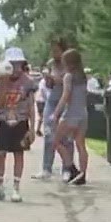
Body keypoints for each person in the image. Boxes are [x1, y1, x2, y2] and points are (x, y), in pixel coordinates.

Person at [0, 50, 38, 202]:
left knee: (18, 154)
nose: (15, 67)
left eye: (18, 64)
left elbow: (31, 106)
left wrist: (32, 128)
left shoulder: (28, 82)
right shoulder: (0, 81)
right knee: (0, 154)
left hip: (21, 121)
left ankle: (16, 188)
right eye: (12, 64)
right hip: (4, 120)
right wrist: (3, 84)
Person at [51, 47, 91, 185]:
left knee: (56, 141)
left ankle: (70, 166)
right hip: (83, 113)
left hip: (71, 113)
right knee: (80, 144)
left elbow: (66, 95)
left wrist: (56, 113)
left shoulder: (68, 76)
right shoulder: (83, 76)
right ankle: (83, 173)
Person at [36, 38, 68, 180]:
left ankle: (67, 168)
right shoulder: (50, 63)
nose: (54, 53)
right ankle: (46, 168)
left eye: (57, 50)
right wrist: (48, 79)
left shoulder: (68, 64)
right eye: (53, 50)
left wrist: (54, 78)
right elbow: (49, 85)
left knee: (66, 137)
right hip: (52, 99)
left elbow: (67, 81)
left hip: (66, 101)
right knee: (49, 134)